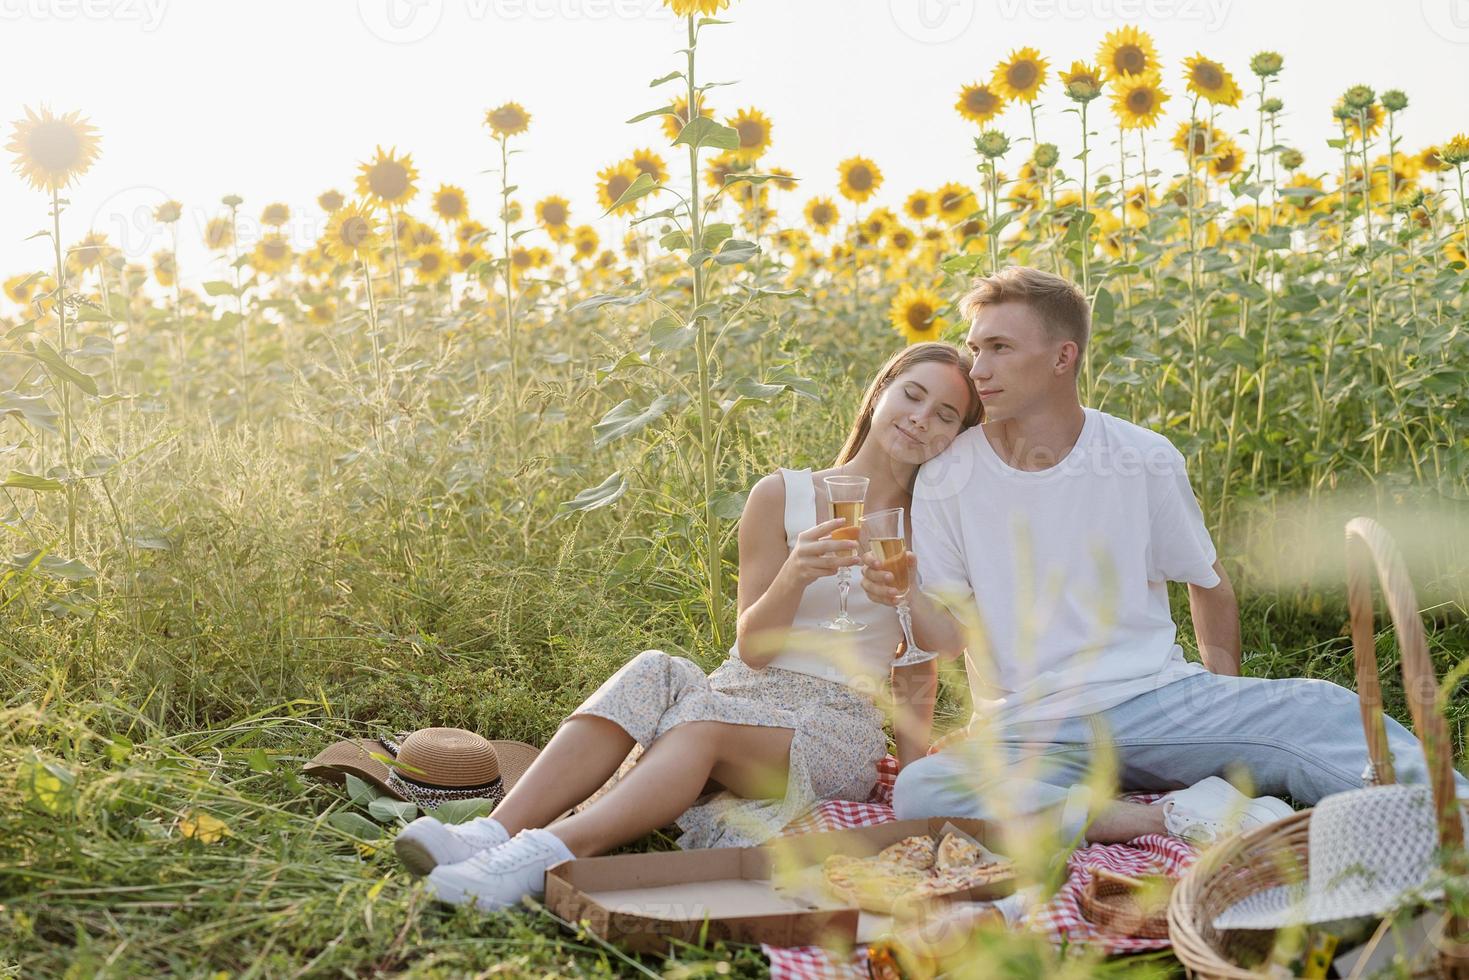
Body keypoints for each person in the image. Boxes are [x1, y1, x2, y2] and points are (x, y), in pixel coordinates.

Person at [861, 266, 1469, 845]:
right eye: (975, 348)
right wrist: (905, 594)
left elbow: (1207, 582)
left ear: (1062, 356)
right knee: (925, 788)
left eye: (999, 348)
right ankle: (1168, 816)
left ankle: (1455, 826)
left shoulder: (1143, 457)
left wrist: (1224, 708)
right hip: (1032, 727)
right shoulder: (948, 475)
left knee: (1320, 708)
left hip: (1155, 700)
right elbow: (946, 633)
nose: (978, 369)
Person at [395, 341, 986, 911]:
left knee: (703, 724)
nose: (920, 420)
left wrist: (908, 785)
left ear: (956, 437)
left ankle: (537, 859)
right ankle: (490, 834)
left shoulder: (932, 526)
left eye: (945, 415)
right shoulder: (780, 495)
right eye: (911, 395)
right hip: (743, 690)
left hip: (834, 724)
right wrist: (795, 574)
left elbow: (931, 657)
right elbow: (753, 650)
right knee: (657, 667)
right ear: (881, 392)